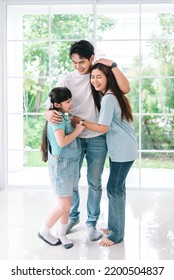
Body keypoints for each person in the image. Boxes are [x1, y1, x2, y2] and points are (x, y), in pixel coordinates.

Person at [45, 40, 130, 241]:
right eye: (74, 63)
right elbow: (51, 105)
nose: (78, 67)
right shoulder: (67, 79)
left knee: (94, 182)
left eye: (82, 62)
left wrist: (112, 64)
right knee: (72, 183)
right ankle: (72, 217)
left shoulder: (99, 75)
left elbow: (125, 89)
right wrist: (46, 114)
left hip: (97, 138)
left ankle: (91, 222)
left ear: (92, 58)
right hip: (73, 138)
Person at [76, 63, 138, 246]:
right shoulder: (112, 95)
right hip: (123, 150)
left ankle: (116, 235)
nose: (94, 80)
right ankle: (114, 227)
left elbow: (103, 128)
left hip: (123, 151)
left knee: (114, 189)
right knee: (117, 189)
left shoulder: (109, 98)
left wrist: (82, 122)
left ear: (107, 78)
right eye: (92, 77)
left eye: (99, 77)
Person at [39, 87, 85, 249]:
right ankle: (44, 231)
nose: (71, 103)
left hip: (71, 165)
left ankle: (62, 234)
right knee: (64, 205)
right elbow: (62, 142)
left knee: (68, 202)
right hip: (62, 166)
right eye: (67, 101)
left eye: (70, 100)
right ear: (57, 105)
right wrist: (78, 130)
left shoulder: (63, 116)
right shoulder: (57, 118)